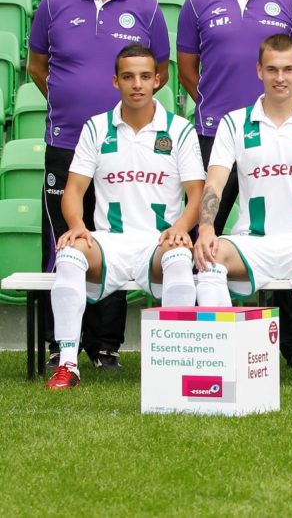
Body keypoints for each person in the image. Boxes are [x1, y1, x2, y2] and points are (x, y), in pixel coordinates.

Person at [177, 0, 292, 371]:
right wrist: (222, 111)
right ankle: (206, 339)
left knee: (285, 232)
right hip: (214, 135)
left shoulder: (289, 2)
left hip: (274, 136)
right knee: (204, 233)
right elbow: (188, 69)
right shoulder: (197, 1)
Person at [28, 0, 170, 371]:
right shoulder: (54, 2)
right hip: (66, 142)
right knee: (64, 238)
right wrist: (70, 102)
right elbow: (37, 65)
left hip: (121, 147)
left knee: (114, 236)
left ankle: (105, 345)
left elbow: (160, 71)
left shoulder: (146, 8)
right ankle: (60, 342)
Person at [193, 34, 292, 393]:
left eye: (287, 69)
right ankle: (225, 361)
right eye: (272, 69)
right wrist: (206, 229)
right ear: (259, 71)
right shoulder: (234, 122)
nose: (280, 77)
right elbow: (215, 183)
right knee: (209, 256)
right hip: (253, 242)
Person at [44, 45, 204, 390]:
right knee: (69, 254)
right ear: (116, 81)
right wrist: (77, 227)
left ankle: (174, 365)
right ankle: (67, 364)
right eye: (128, 77)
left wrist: (180, 228)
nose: (137, 84)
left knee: (180, 256)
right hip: (109, 244)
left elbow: (197, 194)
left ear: (157, 80)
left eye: (145, 76)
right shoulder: (96, 127)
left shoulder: (179, 130)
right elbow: (73, 191)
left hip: (157, 243)